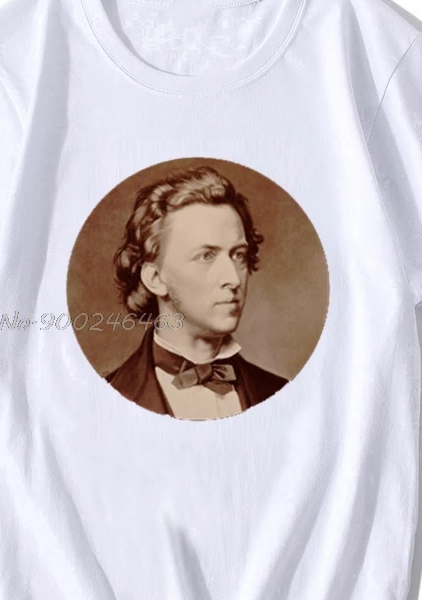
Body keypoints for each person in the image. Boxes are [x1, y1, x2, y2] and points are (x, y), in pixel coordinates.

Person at [103, 165, 290, 420]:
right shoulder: (106, 397)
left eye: (238, 255)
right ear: (155, 278)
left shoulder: (279, 392)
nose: (233, 279)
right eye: (206, 256)